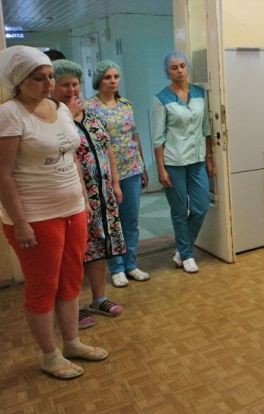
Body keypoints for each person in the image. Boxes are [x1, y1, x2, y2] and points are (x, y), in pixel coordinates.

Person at [0, 46, 108, 379]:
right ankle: (50, 354)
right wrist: (20, 223)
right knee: (43, 286)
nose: (48, 83)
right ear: (19, 80)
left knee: (71, 279)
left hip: (72, 210)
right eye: (39, 78)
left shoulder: (60, 109)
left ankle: (71, 342)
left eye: (50, 76)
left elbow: (72, 158)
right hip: (36, 216)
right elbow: (3, 174)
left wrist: (84, 200)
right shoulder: (10, 114)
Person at [52, 59, 127, 329]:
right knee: (73, 255)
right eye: (65, 85)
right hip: (74, 199)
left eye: (75, 84)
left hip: (102, 195)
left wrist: (115, 183)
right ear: (53, 87)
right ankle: (74, 306)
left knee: (99, 248)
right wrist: (67, 117)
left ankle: (99, 298)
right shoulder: (52, 119)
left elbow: (108, 151)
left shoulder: (93, 116)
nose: (71, 89)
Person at [85, 60, 150, 286]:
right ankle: (116, 268)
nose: (113, 81)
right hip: (105, 174)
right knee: (112, 222)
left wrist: (142, 166)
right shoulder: (89, 107)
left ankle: (131, 264)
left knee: (131, 220)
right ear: (99, 80)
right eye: (108, 77)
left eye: (116, 76)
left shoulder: (126, 105)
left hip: (131, 169)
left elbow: (135, 135)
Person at [151, 51, 213, 273]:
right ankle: (187, 255)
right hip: (173, 161)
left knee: (201, 206)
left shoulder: (200, 93)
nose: (179, 70)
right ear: (167, 72)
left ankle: (182, 249)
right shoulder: (161, 99)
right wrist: (161, 169)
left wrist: (209, 158)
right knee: (179, 211)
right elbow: (157, 138)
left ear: (187, 67)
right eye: (174, 67)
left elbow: (206, 128)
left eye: (182, 66)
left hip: (197, 159)